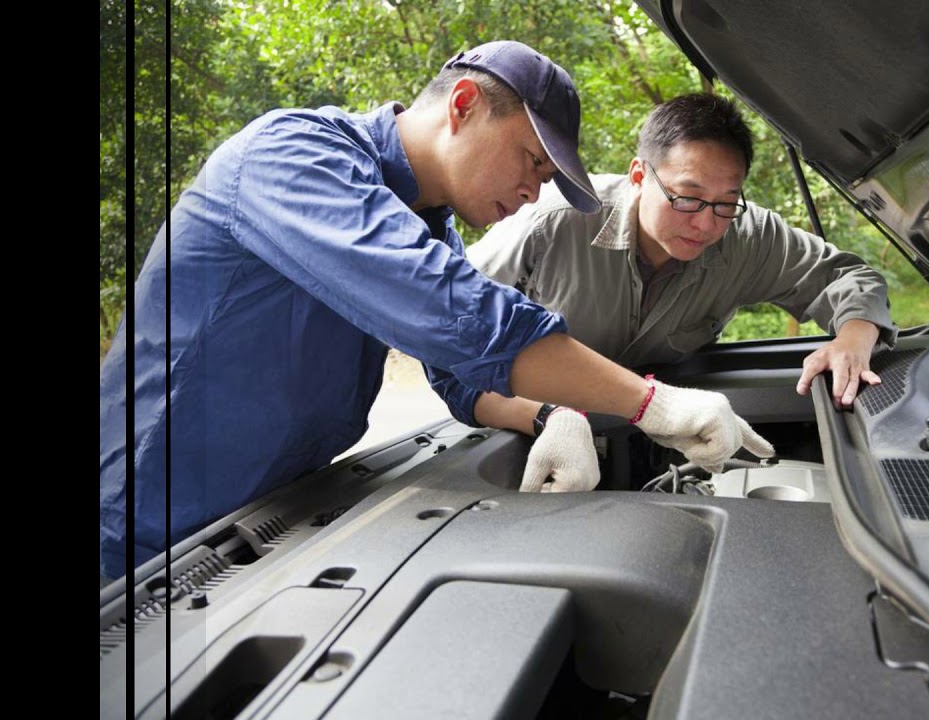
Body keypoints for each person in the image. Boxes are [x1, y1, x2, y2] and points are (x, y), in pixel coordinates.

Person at [100, 43, 773, 581]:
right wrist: (656, 406)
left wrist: (551, 416)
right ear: (463, 104)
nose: (534, 189)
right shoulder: (294, 156)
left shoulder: (426, 226)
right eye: (533, 160)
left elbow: (461, 375)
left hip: (266, 525)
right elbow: (465, 320)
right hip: (138, 523)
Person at [460, 93, 897, 494]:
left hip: (651, 441)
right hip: (529, 437)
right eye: (687, 198)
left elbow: (850, 277)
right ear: (638, 176)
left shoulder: (748, 238)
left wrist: (854, 339)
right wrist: (548, 414)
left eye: (726, 203)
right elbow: (451, 345)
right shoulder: (551, 222)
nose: (706, 225)